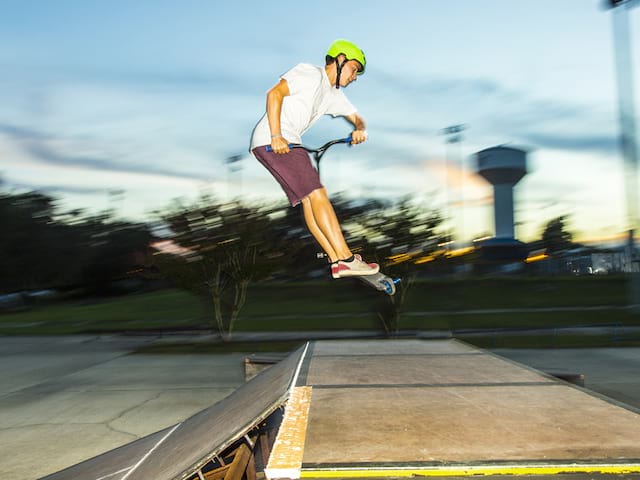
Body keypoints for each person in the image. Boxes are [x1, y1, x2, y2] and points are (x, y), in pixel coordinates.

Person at [250, 39, 379, 279]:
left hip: (282, 142)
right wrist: (276, 135)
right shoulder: (310, 74)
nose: (355, 76)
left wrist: (360, 128)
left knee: (311, 200)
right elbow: (274, 94)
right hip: (277, 140)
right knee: (318, 194)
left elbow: (357, 118)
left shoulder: (334, 95)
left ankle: (337, 260)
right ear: (340, 60)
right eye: (353, 69)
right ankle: (347, 258)